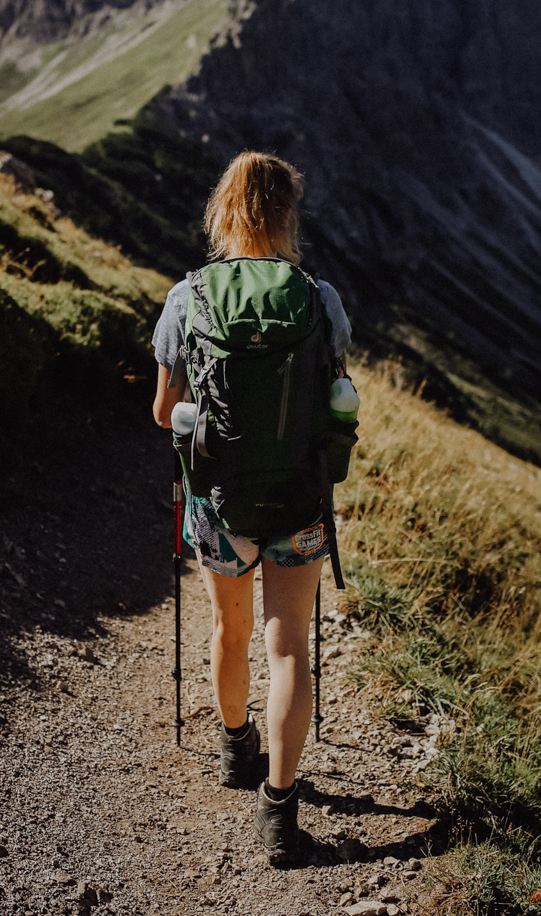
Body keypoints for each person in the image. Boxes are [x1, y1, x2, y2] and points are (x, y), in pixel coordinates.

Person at [150, 151, 352, 864]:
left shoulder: (188, 298)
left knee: (229, 631)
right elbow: (338, 398)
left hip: (220, 502)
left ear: (222, 210)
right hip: (298, 498)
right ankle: (278, 807)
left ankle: (237, 743)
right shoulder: (318, 297)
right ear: (287, 214)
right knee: (290, 645)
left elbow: (163, 410)